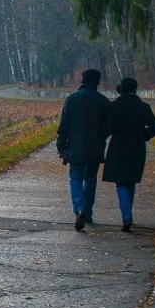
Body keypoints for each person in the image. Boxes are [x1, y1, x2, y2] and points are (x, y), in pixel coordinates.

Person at [102, 77, 155, 232]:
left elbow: (108, 128)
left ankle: (127, 216)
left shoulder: (114, 106)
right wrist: (144, 135)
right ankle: (128, 213)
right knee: (131, 181)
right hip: (137, 147)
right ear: (135, 89)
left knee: (120, 182)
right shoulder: (143, 107)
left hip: (118, 147)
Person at [57, 69, 111, 231]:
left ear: (83, 80)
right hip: (95, 147)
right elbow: (108, 126)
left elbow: (64, 124)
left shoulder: (72, 99)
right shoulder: (104, 101)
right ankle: (87, 211)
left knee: (75, 178)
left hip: (75, 146)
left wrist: (61, 146)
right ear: (98, 81)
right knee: (91, 179)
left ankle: (79, 208)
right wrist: (100, 137)